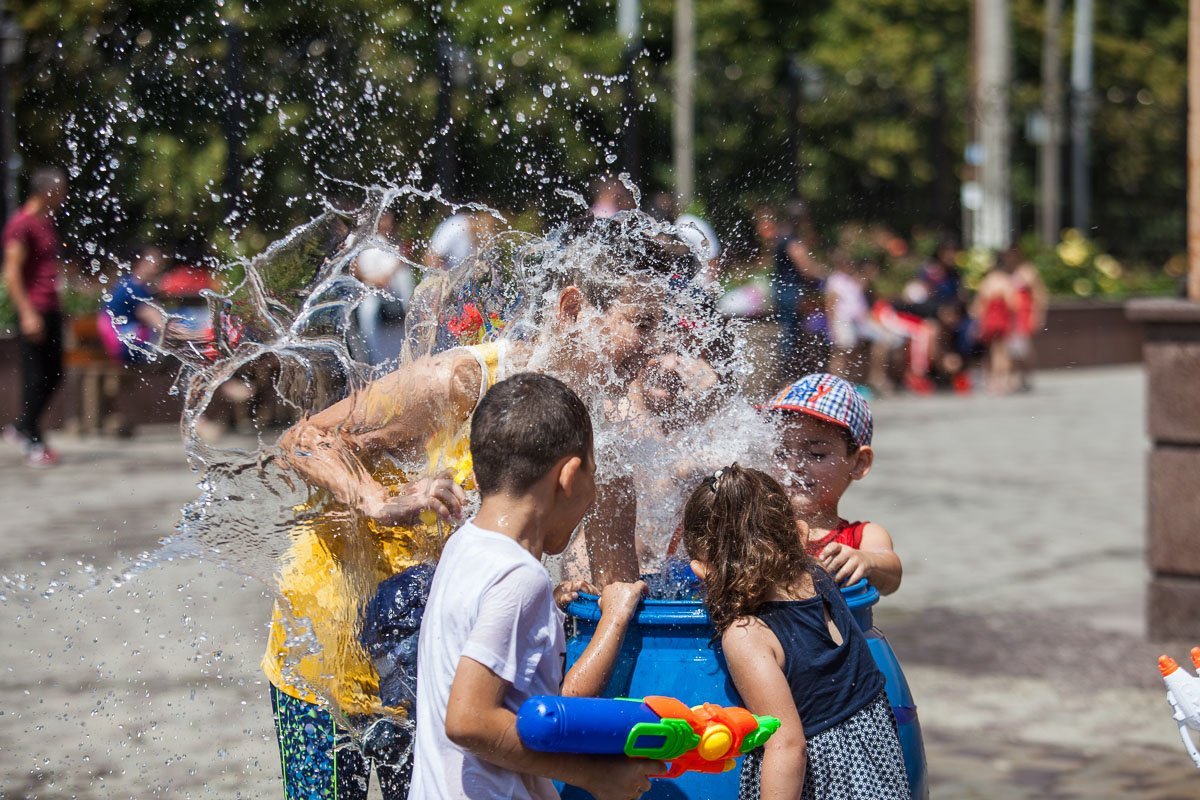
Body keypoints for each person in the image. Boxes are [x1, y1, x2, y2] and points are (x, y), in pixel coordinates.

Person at [264, 217, 686, 798]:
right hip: (330, 646)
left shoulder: (603, 437)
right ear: (572, 309)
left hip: (442, 668)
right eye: (643, 324)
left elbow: (615, 587)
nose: (658, 348)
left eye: (665, 328)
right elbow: (304, 439)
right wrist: (380, 501)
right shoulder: (464, 380)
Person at [411, 372, 663, 799]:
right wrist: (592, 775)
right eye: (594, 474)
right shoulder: (519, 578)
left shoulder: (465, 546)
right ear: (569, 476)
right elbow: (469, 719)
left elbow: (524, 706)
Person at [680, 464, 911, 800]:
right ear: (799, 532)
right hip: (877, 763)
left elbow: (787, 747)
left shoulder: (748, 634)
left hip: (825, 783)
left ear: (703, 570)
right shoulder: (817, 574)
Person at [762, 373, 902, 595]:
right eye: (782, 452)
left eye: (816, 454)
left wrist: (867, 560)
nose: (794, 465)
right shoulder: (755, 529)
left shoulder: (862, 537)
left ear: (859, 463)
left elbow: (891, 573)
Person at [2, 167, 68, 468]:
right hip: (34, 310)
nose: (64, 196)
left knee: (55, 373)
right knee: (35, 376)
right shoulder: (21, 224)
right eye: (61, 190)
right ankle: (32, 437)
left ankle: (23, 426)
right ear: (47, 191)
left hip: (50, 309)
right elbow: (11, 272)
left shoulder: (46, 222)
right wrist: (27, 313)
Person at [771, 201, 827, 375]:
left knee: (790, 332)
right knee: (791, 334)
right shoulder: (791, 240)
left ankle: (787, 373)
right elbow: (806, 268)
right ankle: (787, 376)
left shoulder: (782, 238)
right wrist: (825, 276)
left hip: (783, 290)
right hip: (790, 292)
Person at [100, 245, 168, 363]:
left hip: (120, 343)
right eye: (154, 262)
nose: (158, 267)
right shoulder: (134, 289)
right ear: (139, 262)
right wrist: (193, 337)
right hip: (126, 347)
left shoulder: (129, 283)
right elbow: (160, 324)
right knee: (178, 355)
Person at [972, 255, 1018, 394]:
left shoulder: (987, 281)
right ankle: (1004, 380)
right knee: (1003, 351)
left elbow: (979, 306)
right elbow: (1012, 304)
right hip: (1002, 319)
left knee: (991, 351)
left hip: (989, 320)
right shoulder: (1006, 281)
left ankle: (992, 381)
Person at [1008, 251, 1047, 392]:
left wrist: (1038, 315)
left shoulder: (1027, 270)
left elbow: (1039, 294)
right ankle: (1018, 377)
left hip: (1024, 314)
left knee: (1024, 348)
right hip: (1012, 315)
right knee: (1013, 349)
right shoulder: (1009, 270)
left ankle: (1027, 376)